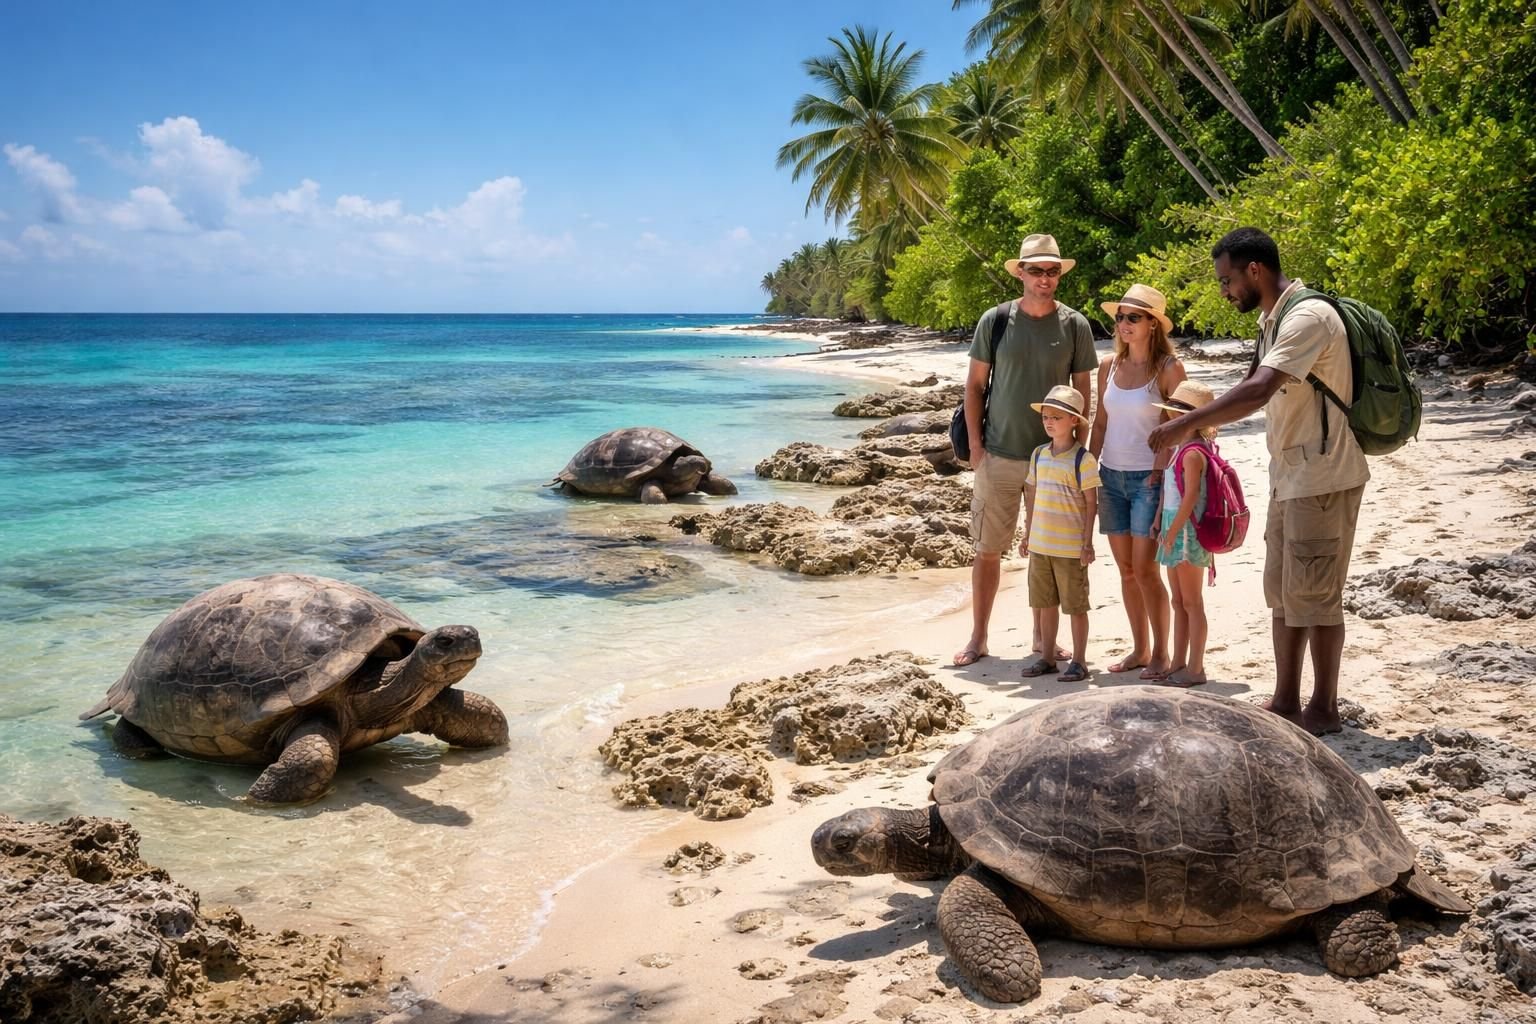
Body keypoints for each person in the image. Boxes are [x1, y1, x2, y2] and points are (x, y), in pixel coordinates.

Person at [1147, 227, 1369, 734]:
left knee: (1316, 595)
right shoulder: (1274, 319)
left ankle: (1324, 708)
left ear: (1255, 270)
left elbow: (1261, 389)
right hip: (1290, 475)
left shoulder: (1308, 317)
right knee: (1283, 594)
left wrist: (1183, 425)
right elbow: (1251, 384)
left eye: (1227, 280)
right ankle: (1287, 699)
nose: (1224, 292)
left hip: (1323, 473)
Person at [954, 233, 1097, 668]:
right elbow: (975, 386)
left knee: (1047, 553)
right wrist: (977, 447)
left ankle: (1043, 640)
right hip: (998, 454)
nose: (1045, 278)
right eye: (1036, 270)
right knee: (987, 551)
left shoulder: (1075, 325)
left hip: (1053, 462)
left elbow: (1083, 392)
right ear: (1020, 273)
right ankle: (978, 638)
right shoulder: (995, 320)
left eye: (1053, 271)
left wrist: (1077, 453)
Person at [1088, 284, 1187, 679]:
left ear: (1152, 324)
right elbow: (1100, 421)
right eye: (1120, 317)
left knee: (1147, 570)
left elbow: (1179, 427)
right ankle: (1140, 649)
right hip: (1110, 477)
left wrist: (1159, 476)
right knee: (1126, 570)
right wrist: (1087, 469)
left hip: (1149, 479)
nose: (1124, 324)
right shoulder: (1107, 366)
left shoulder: (1168, 369)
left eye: (1133, 317)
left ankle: (1162, 653)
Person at [1019, 386, 1101, 682]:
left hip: (1069, 547)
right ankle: (1047, 656)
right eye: (1045, 417)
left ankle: (1079, 660)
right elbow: (1032, 493)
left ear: (1074, 421)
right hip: (1041, 544)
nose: (1049, 422)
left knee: (1076, 606)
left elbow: (1091, 503)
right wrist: (1027, 534)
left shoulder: (1083, 460)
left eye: (1056, 417)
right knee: (1044, 604)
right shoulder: (1039, 454)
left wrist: (1087, 543)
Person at [1150, 380, 1218, 687]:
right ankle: (1178, 661)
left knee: (1192, 601)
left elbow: (1190, 497)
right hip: (1172, 525)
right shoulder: (1179, 448)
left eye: (1176, 413)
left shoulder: (1193, 452)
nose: (1169, 417)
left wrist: (1173, 529)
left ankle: (1195, 667)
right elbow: (1170, 490)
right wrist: (1159, 521)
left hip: (1187, 530)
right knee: (1178, 600)